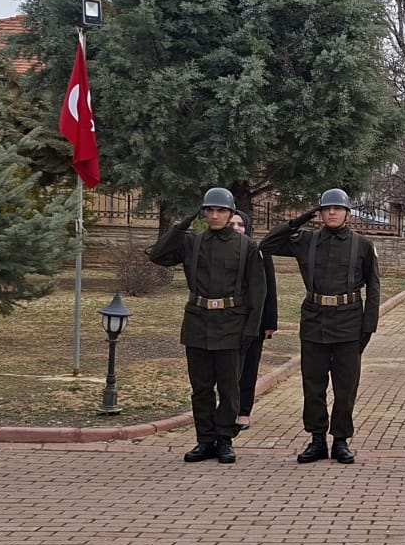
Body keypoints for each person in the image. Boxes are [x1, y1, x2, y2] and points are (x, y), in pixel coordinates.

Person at [261, 188, 382, 464]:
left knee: (345, 386)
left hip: (349, 321)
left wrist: (368, 326)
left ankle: (340, 440)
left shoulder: (360, 244)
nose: (331, 213)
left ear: (347, 214)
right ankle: (317, 439)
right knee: (313, 384)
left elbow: (374, 286)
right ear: (319, 213)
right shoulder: (306, 240)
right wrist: (297, 221)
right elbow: (266, 245)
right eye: (326, 208)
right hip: (314, 320)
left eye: (337, 209)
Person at [149, 187, 265, 463]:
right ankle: (204, 439)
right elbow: (158, 255)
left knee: (228, 387)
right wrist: (182, 225)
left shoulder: (246, 246)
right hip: (198, 322)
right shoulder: (192, 242)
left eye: (221, 210)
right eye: (209, 210)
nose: (215, 215)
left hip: (231, 323)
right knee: (200, 387)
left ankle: (224, 439)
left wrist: (252, 328)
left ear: (231, 213)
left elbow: (257, 292)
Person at [228, 210, 280, 438]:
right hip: (227, 320)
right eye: (232, 224)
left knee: (248, 368)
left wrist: (270, 322)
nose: (236, 228)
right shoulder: (217, 252)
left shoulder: (259, 252)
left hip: (254, 320)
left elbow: (270, 288)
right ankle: (226, 409)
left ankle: (243, 412)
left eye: (240, 224)